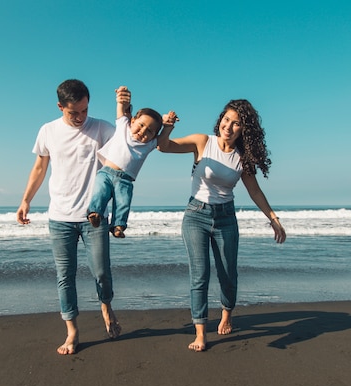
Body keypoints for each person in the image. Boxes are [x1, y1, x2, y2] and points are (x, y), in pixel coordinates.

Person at [157, 99, 286, 352]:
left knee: (228, 273)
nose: (229, 126)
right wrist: (167, 127)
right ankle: (200, 331)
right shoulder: (202, 142)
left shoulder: (242, 158)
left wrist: (273, 217)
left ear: (243, 129)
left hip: (226, 218)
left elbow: (255, 191)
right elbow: (164, 147)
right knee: (200, 274)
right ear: (220, 120)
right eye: (226, 120)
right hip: (196, 215)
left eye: (236, 123)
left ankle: (227, 313)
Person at [16, 79, 122, 355]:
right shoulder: (48, 131)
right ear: (60, 106)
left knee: (101, 272)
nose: (80, 117)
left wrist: (124, 107)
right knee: (65, 275)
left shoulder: (101, 128)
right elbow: (40, 167)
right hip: (60, 217)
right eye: (73, 112)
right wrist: (26, 200)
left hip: (94, 217)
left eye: (85, 110)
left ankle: (106, 307)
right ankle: (72, 331)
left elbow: (126, 138)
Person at [87, 86, 166, 238]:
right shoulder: (123, 126)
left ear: (153, 136)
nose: (143, 131)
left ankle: (118, 226)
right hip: (106, 173)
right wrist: (121, 97)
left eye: (149, 131)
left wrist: (169, 126)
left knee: (123, 203)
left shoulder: (148, 145)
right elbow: (121, 109)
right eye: (141, 125)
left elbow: (162, 139)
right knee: (99, 193)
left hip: (125, 180)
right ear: (133, 120)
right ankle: (94, 213)